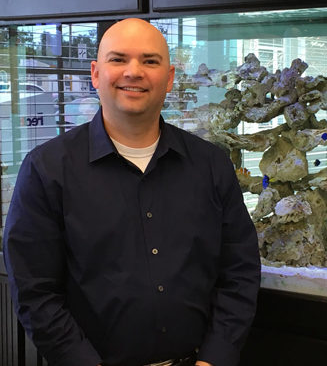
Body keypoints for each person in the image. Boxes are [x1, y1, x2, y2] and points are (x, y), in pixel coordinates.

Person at [3, 18, 261, 366]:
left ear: (169, 78)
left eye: (150, 61)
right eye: (118, 59)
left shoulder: (211, 164)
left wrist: (215, 358)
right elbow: (35, 291)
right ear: (95, 73)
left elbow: (239, 270)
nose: (134, 72)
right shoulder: (46, 169)